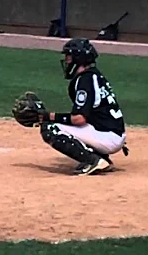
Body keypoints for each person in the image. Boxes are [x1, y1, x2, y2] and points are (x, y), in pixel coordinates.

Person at [11, 38, 128, 176]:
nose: (67, 61)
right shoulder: (94, 76)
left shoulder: (85, 80)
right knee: (61, 124)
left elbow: (79, 119)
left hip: (107, 136)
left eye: (69, 56)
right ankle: (101, 158)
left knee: (50, 127)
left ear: (78, 58)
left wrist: (48, 116)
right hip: (111, 132)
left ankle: (93, 160)